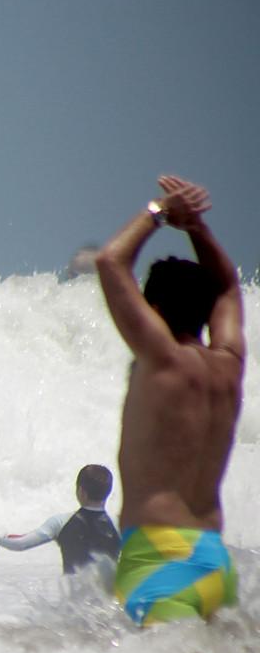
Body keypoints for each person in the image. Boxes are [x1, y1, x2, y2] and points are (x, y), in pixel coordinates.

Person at [92, 175, 244, 625]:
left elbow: (109, 261)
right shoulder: (229, 366)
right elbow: (230, 289)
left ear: (153, 311)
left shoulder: (161, 360)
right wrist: (196, 227)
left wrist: (159, 211)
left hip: (159, 555)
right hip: (213, 557)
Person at [0, 464, 121, 577]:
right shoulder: (120, 525)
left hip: (75, 608)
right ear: (108, 492)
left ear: (80, 491)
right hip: (108, 609)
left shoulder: (61, 522)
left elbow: (21, 544)